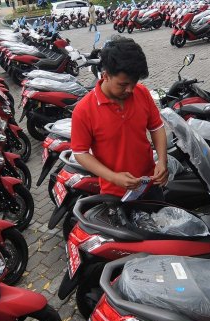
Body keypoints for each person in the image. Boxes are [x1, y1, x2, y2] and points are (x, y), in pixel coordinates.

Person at [71, 37, 169, 200]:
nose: (130, 89)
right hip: (115, 194)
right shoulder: (84, 110)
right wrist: (113, 177)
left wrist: (162, 161)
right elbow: (80, 153)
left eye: (134, 82)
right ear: (106, 75)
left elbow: (156, 128)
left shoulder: (142, 93)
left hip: (150, 184)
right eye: (123, 84)